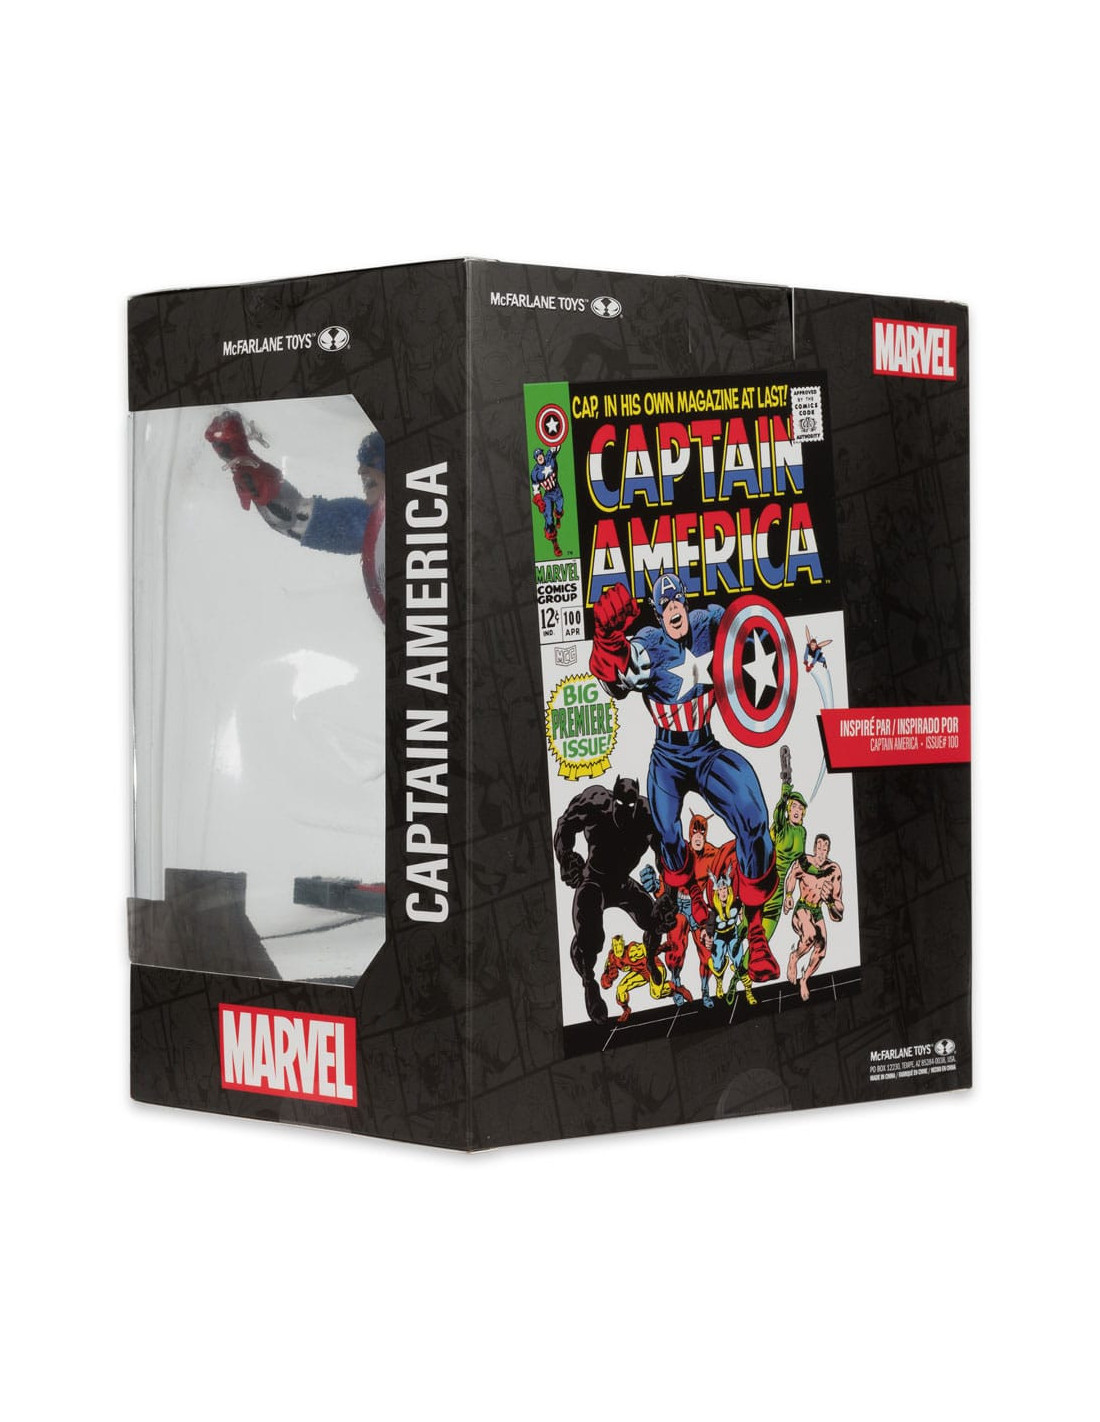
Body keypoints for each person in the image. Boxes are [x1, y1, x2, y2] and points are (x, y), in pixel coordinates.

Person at [590, 574, 780, 983]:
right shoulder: (650, 643)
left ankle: (756, 932)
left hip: (707, 749)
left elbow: (753, 633)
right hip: (668, 757)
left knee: (752, 812)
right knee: (666, 828)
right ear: (657, 612)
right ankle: (684, 892)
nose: (673, 607)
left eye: (677, 598)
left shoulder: (710, 622)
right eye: (665, 603)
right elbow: (621, 675)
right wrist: (607, 643)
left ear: (685, 601)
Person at [204, 410, 386, 622]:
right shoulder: (367, 524)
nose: (361, 471)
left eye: (372, 461)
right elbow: (293, 517)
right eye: (362, 464)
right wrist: (244, 463)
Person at [783, 833, 844, 1000]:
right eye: (819, 846)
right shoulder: (804, 862)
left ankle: (804, 979)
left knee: (821, 948)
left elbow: (839, 910)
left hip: (817, 910)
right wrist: (788, 896)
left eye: (825, 848)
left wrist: (830, 901)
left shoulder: (834, 870)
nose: (821, 851)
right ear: (814, 847)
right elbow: (791, 877)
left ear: (828, 850)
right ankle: (794, 957)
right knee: (810, 934)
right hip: (802, 907)